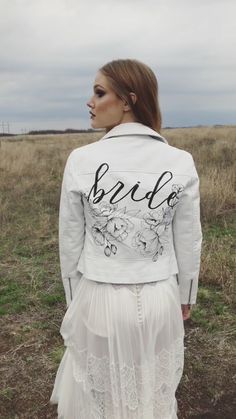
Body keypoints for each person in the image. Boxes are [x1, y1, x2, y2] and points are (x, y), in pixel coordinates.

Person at [50, 59, 202, 419]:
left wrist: (74, 299)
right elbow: (189, 239)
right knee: (152, 393)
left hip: (100, 297)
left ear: (129, 100)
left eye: (99, 92)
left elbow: (70, 239)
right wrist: (186, 295)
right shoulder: (179, 161)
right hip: (160, 299)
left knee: (99, 399)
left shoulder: (81, 159)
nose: (90, 101)